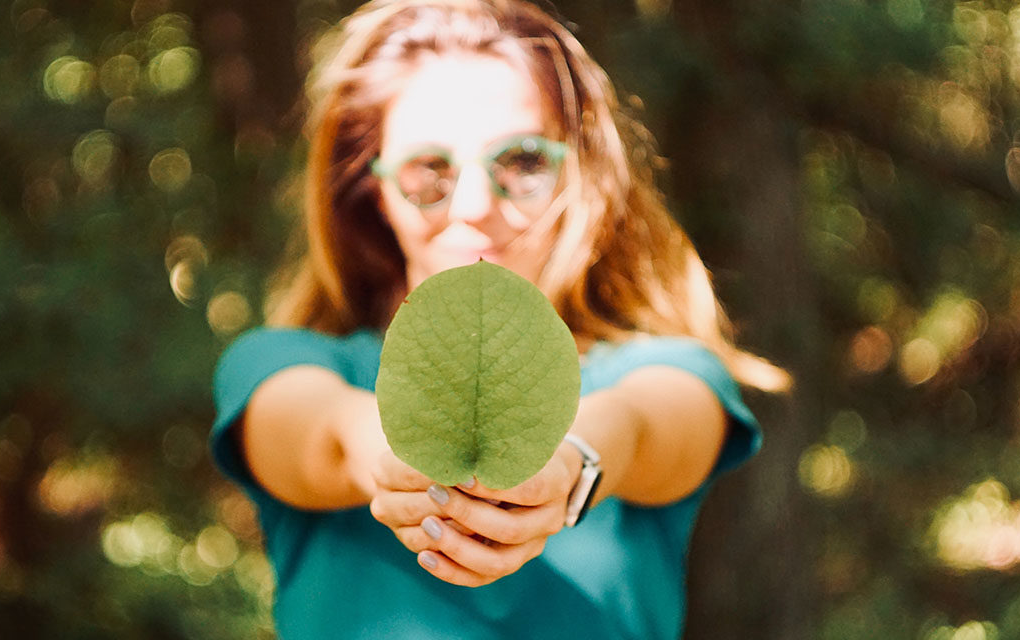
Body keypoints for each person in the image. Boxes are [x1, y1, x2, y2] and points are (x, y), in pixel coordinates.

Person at [210, 0, 788, 637]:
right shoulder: (279, 363)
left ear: (578, 173)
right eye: (429, 169)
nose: (475, 205)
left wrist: (570, 464)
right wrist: (391, 458)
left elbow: (644, 426)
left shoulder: (666, 370)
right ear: (373, 190)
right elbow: (321, 433)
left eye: (522, 161)